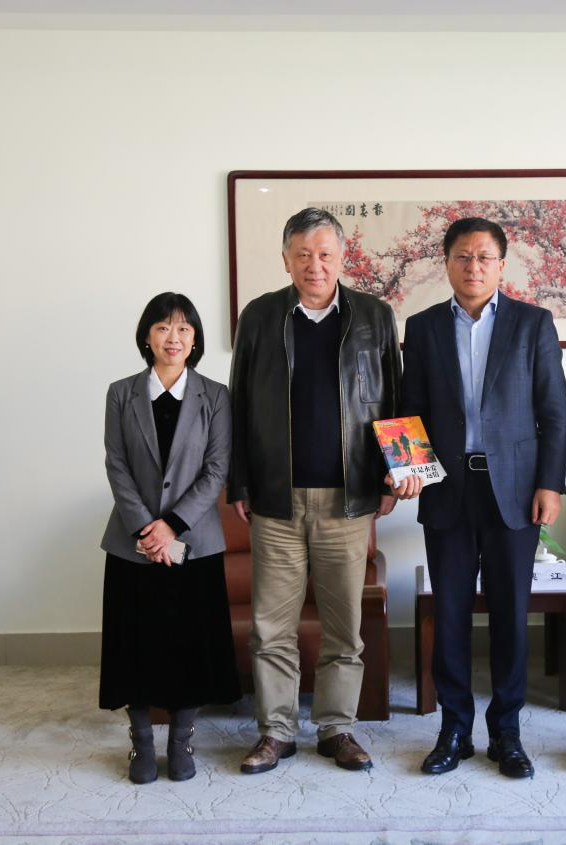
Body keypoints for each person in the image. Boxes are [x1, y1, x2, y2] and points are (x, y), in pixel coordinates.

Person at [392, 217, 566, 779]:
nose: (473, 267)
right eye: (463, 257)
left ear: (501, 265)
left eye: (484, 257)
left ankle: (506, 732)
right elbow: (409, 409)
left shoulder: (532, 323)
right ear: (446, 263)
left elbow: (553, 413)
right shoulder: (422, 327)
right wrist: (408, 470)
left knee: (511, 614)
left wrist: (549, 484)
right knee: (449, 612)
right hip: (447, 486)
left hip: (514, 489)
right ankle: (454, 730)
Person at [228, 207, 400, 775]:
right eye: (302, 254)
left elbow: (394, 401)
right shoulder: (260, 316)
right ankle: (276, 732)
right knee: (270, 627)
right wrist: (239, 481)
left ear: (342, 258)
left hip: (348, 500)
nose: (314, 265)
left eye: (325, 254)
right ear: (286, 259)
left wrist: (393, 474)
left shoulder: (374, 316)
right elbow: (239, 404)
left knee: (343, 627)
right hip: (276, 500)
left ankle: (336, 729)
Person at [99, 292, 240, 784]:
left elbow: (217, 468)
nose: (172, 337)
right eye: (162, 328)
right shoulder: (121, 393)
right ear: (147, 337)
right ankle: (141, 744)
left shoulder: (215, 396)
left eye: (183, 328)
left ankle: (181, 741)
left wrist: (171, 525)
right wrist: (147, 527)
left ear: (195, 339)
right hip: (132, 544)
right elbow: (116, 464)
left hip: (194, 543)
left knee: (189, 647)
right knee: (133, 646)